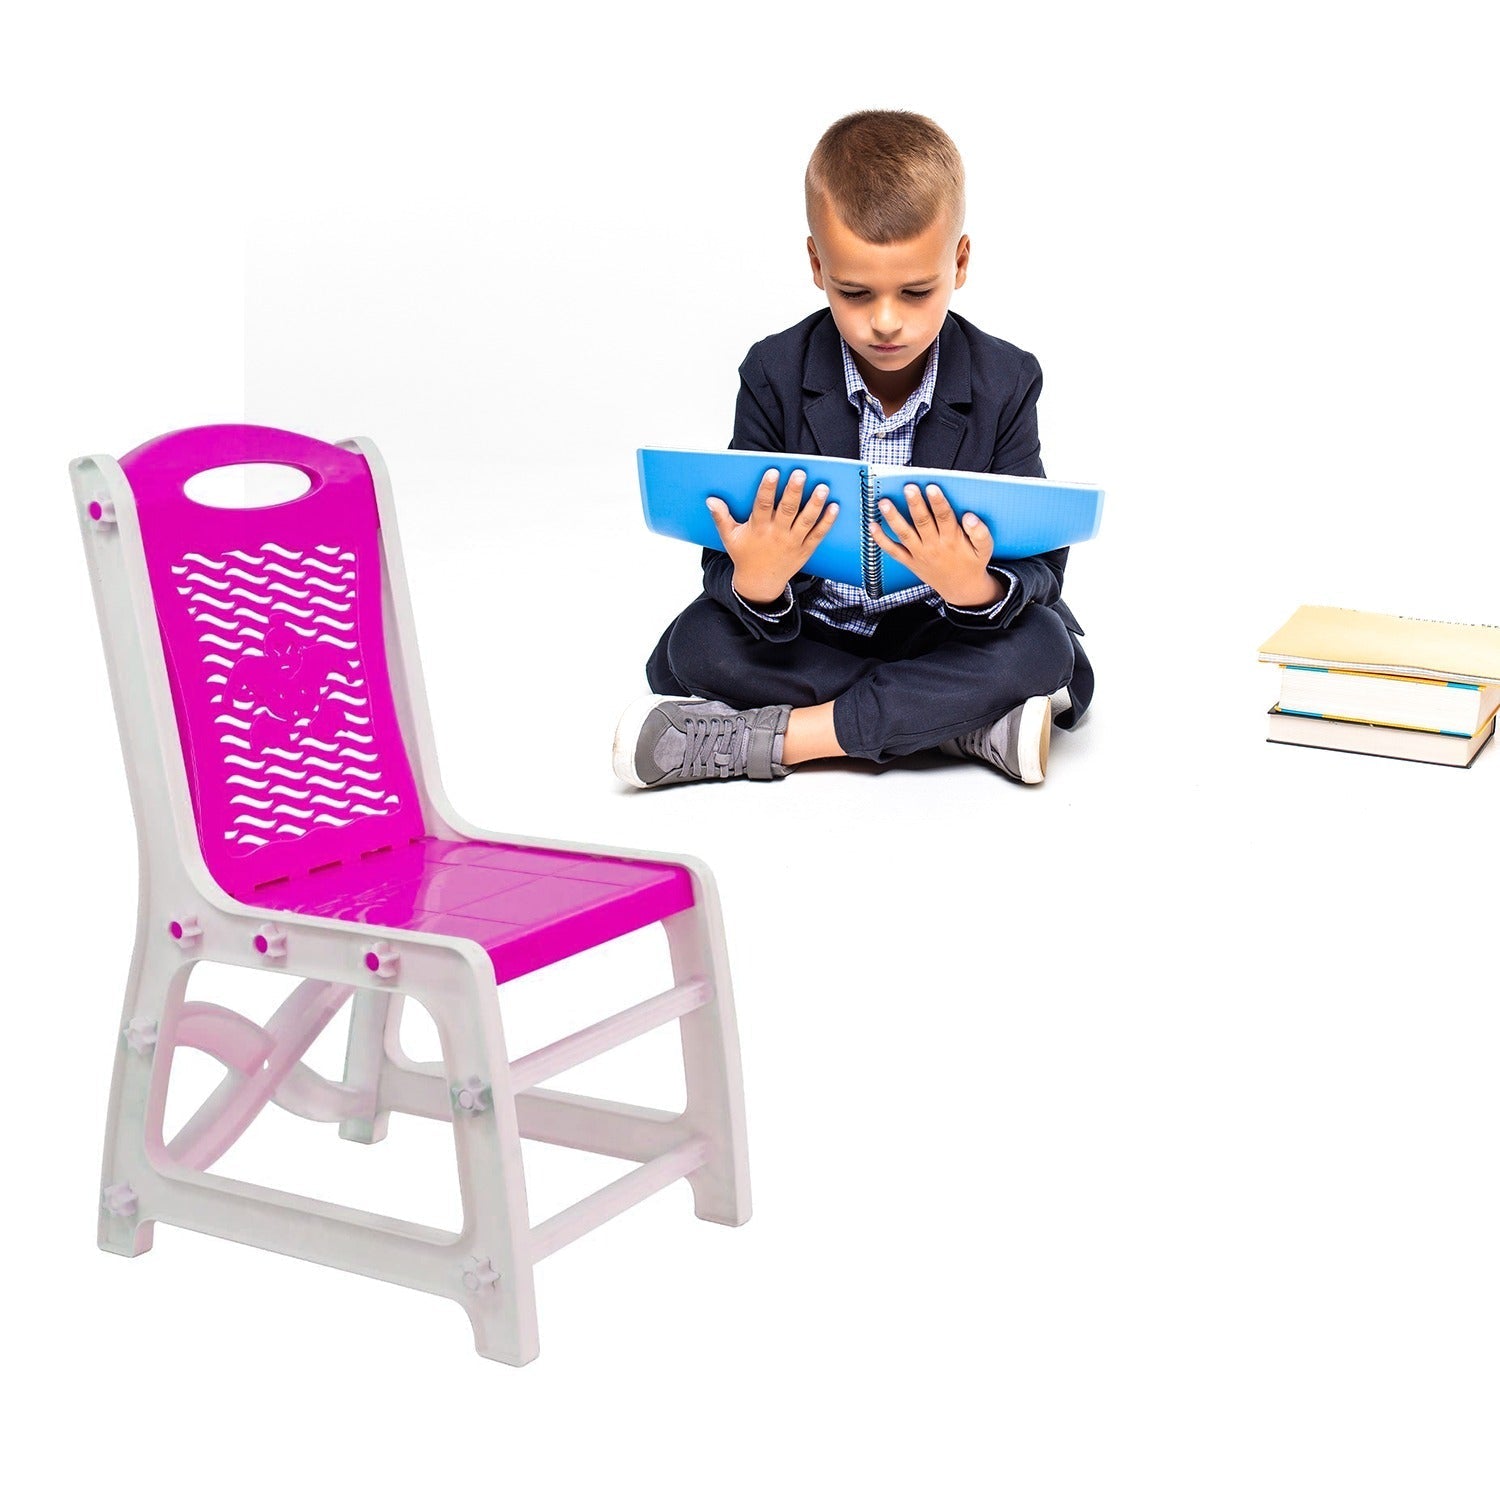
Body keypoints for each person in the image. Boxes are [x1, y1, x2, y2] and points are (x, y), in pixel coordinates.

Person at [614, 109, 1090, 790]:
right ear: (817, 264)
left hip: (942, 630)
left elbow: (1041, 564)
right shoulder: (774, 373)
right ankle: (962, 725)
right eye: (855, 292)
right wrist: (759, 578)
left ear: (959, 262)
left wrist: (972, 587)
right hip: (813, 631)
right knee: (696, 645)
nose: (887, 320)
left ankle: (772, 740)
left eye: (917, 291)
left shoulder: (1005, 379)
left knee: (1042, 648)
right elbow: (724, 560)